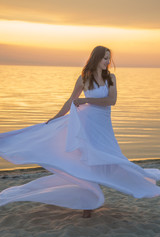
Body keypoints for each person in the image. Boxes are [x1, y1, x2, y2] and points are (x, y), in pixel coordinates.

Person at [0, 46, 160, 218]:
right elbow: (71, 100)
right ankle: (88, 204)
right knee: (87, 161)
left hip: (103, 128)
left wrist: (86, 99)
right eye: (105, 58)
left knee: (112, 160)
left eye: (109, 58)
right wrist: (55, 118)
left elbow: (111, 100)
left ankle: (140, 180)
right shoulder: (84, 78)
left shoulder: (110, 78)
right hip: (85, 125)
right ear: (96, 58)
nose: (107, 61)